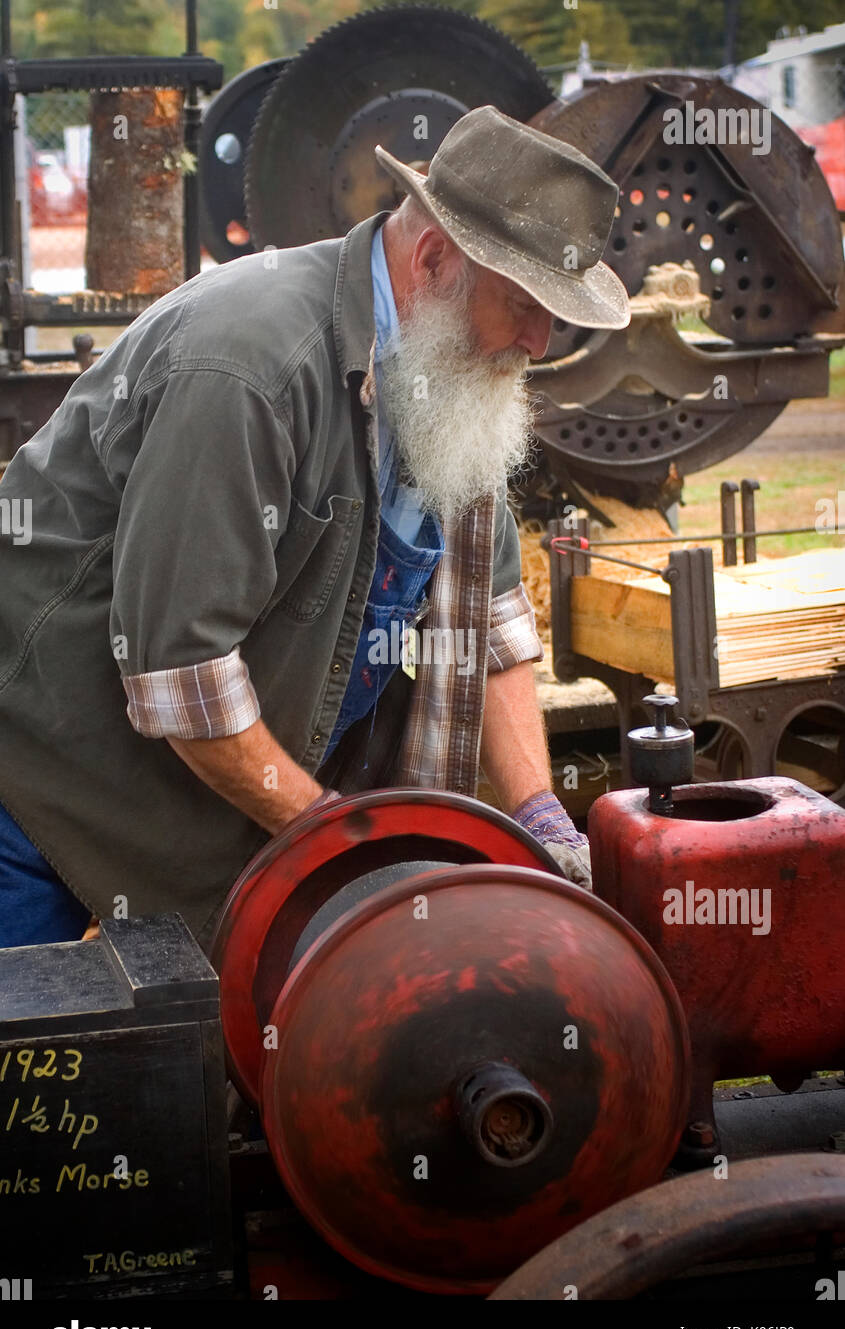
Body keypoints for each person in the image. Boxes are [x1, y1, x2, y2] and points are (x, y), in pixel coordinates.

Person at [0, 105, 630, 952]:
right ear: (435, 258)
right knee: (49, 1063)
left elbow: (491, 622)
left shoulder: (446, 369)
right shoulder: (248, 369)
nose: (539, 341)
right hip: (43, 780)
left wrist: (541, 818)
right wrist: (340, 846)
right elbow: (181, 670)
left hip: (220, 780)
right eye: (522, 304)